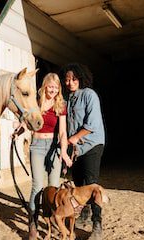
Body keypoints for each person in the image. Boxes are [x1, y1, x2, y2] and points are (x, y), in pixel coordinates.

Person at [60, 63, 105, 240]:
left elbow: (92, 124)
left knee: (92, 185)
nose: (70, 82)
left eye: (74, 79)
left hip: (92, 144)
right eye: (67, 79)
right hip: (76, 148)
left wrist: (75, 137)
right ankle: (84, 215)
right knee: (78, 186)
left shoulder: (89, 95)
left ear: (81, 79)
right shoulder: (67, 99)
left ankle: (97, 224)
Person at [28, 73, 72, 239]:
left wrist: (65, 152)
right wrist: (18, 130)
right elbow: (29, 121)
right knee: (38, 186)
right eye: (50, 86)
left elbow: (62, 132)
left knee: (53, 188)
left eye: (56, 87)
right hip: (37, 146)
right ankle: (32, 222)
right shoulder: (36, 103)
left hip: (54, 147)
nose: (53, 90)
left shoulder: (60, 105)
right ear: (44, 86)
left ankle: (52, 222)